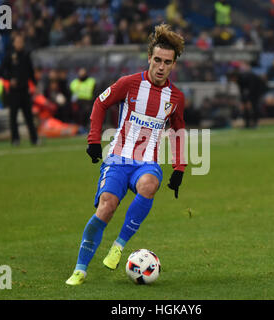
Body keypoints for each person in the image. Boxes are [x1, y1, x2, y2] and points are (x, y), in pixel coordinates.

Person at [66, 23, 186, 286]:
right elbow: (100, 102)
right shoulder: (129, 83)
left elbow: (179, 130)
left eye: (167, 62)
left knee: (150, 184)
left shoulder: (175, 97)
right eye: (157, 60)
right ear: (149, 59)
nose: (161, 66)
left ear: (173, 64)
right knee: (107, 206)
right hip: (119, 159)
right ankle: (80, 269)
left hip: (147, 163)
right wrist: (94, 140)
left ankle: (118, 246)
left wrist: (179, 168)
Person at [0, 35, 38, 146]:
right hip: (14, 91)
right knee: (13, 117)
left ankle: (34, 139)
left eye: (21, 42)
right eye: (18, 42)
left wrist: (35, 84)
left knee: (29, 116)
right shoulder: (9, 56)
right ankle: (15, 139)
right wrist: (9, 79)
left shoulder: (26, 55)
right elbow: (2, 71)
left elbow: (30, 72)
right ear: (14, 43)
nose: (20, 44)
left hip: (24, 90)